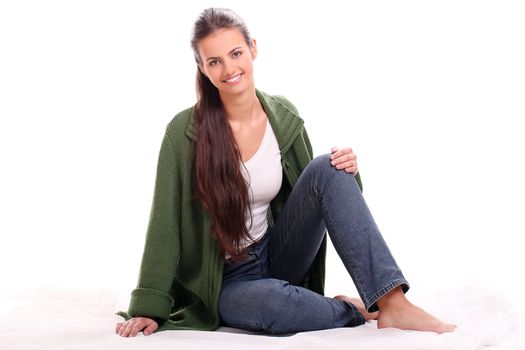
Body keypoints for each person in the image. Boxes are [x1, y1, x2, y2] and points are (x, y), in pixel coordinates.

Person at [115, 7, 456, 337]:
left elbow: (320, 193)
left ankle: (392, 302)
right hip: (225, 282)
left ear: (253, 49)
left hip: (277, 251)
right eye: (214, 61)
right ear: (202, 68)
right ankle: (352, 310)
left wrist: (347, 172)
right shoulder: (184, 132)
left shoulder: (283, 116)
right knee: (270, 306)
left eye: (235, 53)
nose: (228, 68)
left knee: (328, 165)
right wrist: (149, 305)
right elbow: (164, 221)